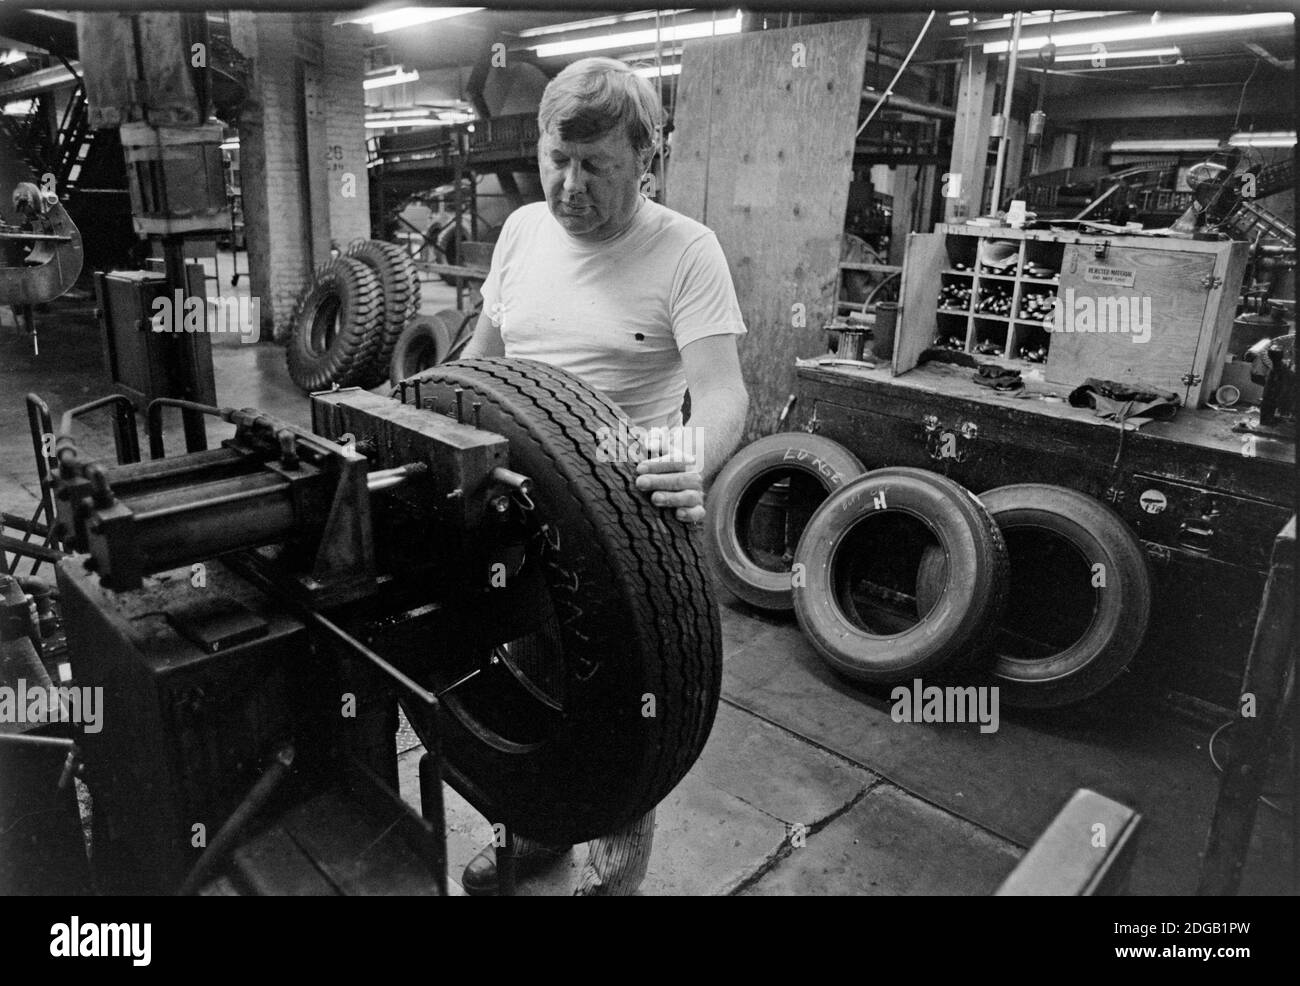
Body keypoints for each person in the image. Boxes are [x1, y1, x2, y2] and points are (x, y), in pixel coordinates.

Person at [459, 56, 749, 895]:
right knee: (522, 691)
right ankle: (534, 837)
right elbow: (481, 366)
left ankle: (611, 878)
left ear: (645, 159)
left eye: (598, 167)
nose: (569, 186)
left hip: (630, 524)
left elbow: (723, 392)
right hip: (520, 514)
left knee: (627, 717)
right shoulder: (519, 233)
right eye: (557, 159)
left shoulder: (686, 252)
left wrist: (693, 455)